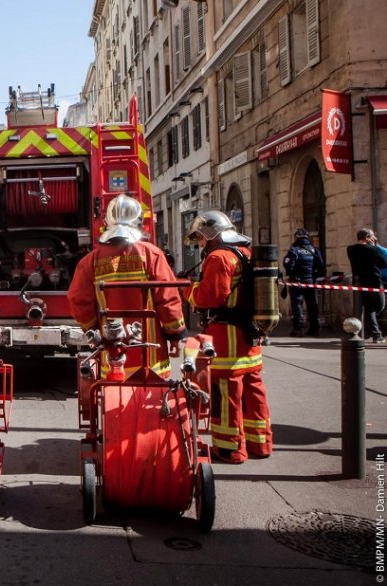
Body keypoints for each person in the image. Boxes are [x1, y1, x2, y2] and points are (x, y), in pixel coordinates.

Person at [185, 210, 271, 464]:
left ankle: (229, 449)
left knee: (226, 393)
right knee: (254, 390)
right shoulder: (246, 253)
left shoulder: (219, 257)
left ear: (211, 234)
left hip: (227, 337)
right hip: (250, 336)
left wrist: (191, 291)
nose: (201, 244)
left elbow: (210, 297)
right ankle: (261, 443)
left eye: (201, 238)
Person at [68, 194, 186, 379]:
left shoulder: (90, 261)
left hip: (113, 356)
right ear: (138, 221)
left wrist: (95, 330)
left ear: (107, 222)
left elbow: (78, 300)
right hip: (151, 358)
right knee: (151, 404)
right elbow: (167, 297)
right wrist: (175, 335)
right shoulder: (152, 254)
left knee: (114, 400)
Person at [346, 228, 387, 344]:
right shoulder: (373, 249)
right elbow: (384, 262)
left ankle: (376, 334)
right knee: (380, 305)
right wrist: (375, 244)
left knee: (370, 309)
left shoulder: (350, 249)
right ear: (368, 237)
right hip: (374, 283)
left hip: (359, 282)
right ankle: (374, 333)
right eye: (372, 236)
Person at [283, 228, 325, 337]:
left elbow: (287, 263)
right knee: (312, 304)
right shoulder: (314, 250)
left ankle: (298, 328)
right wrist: (314, 276)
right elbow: (321, 266)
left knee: (297, 304)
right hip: (310, 281)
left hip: (296, 281)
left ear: (296, 237)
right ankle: (314, 328)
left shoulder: (294, 250)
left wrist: (291, 275)